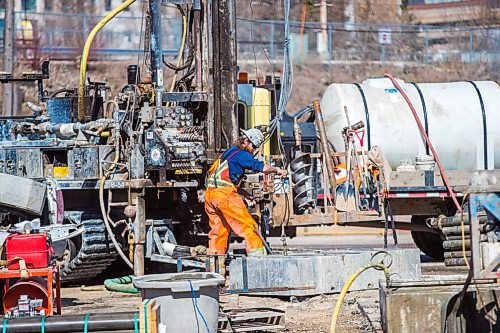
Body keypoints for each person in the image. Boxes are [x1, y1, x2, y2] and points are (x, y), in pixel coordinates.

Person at [205, 128, 286, 256]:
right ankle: (258, 261)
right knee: (249, 227)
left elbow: (224, 180)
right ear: (246, 141)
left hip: (211, 196)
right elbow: (260, 167)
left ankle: (216, 269)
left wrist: (244, 194)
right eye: (253, 146)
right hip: (225, 196)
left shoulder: (229, 152)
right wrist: (277, 170)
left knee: (218, 232)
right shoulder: (242, 154)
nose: (254, 149)